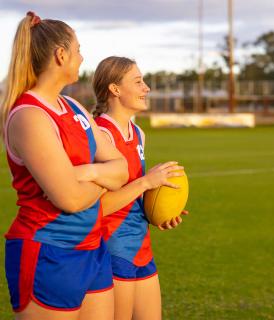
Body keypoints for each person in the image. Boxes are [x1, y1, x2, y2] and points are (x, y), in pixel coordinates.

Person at [0, 12, 129, 320]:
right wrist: (104, 177)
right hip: (48, 252)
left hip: (93, 248)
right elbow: (70, 199)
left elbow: (122, 168)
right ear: (61, 54)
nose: (82, 57)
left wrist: (88, 173)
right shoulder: (30, 116)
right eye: (79, 49)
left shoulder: (75, 107)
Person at [92, 56, 188, 320]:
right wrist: (147, 182)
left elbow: (134, 196)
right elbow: (95, 208)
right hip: (112, 249)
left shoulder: (138, 133)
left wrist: (159, 210)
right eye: (138, 81)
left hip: (141, 247)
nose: (146, 88)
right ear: (115, 89)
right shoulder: (101, 136)